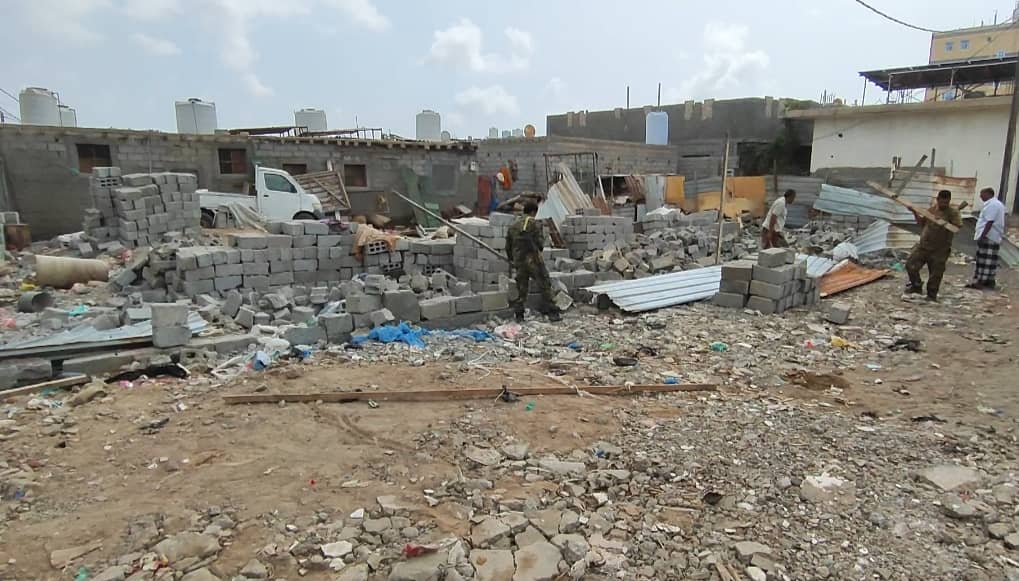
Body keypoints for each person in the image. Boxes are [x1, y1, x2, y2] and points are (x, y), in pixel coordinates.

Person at [506, 202, 561, 322]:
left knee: (521, 289)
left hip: (519, 261)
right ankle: (553, 312)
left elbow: (508, 247)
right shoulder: (535, 223)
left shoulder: (513, 225)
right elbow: (540, 244)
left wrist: (513, 259)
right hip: (533, 260)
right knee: (544, 284)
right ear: (533, 212)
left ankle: (519, 314)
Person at [905, 189, 963, 301]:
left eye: (946, 202)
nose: (944, 204)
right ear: (938, 199)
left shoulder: (953, 213)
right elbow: (921, 223)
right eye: (942, 202)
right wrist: (914, 213)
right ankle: (916, 285)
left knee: (936, 273)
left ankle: (931, 295)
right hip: (924, 246)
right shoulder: (931, 210)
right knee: (910, 265)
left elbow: (957, 227)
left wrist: (945, 223)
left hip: (940, 249)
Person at [967, 187, 1006, 290]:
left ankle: (982, 281)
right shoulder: (995, 204)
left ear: (988, 194)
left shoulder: (992, 205)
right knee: (989, 260)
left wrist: (983, 235)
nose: (980, 196)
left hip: (989, 236)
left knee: (985, 261)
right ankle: (989, 281)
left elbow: (989, 222)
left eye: (982, 194)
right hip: (992, 235)